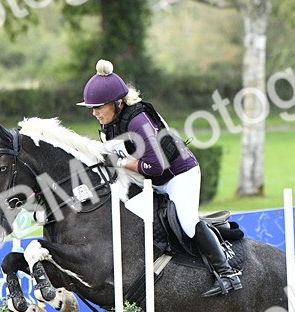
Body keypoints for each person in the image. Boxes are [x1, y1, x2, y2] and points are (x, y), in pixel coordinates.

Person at [79, 59, 242, 296]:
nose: (95, 113)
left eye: (99, 107)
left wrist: (121, 162)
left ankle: (227, 273)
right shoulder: (110, 124)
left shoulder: (138, 120)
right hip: (151, 182)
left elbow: (154, 167)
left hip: (178, 177)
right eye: (92, 108)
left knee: (187, 222)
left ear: (116, 103)